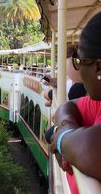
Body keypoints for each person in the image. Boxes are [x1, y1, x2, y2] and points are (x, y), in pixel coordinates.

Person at [49, 12, 101, 194]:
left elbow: (92, 148)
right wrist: (68, 127)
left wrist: (62, 139)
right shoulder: (98, 103)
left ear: (98, 67)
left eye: (79, 61)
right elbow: (66, 107)